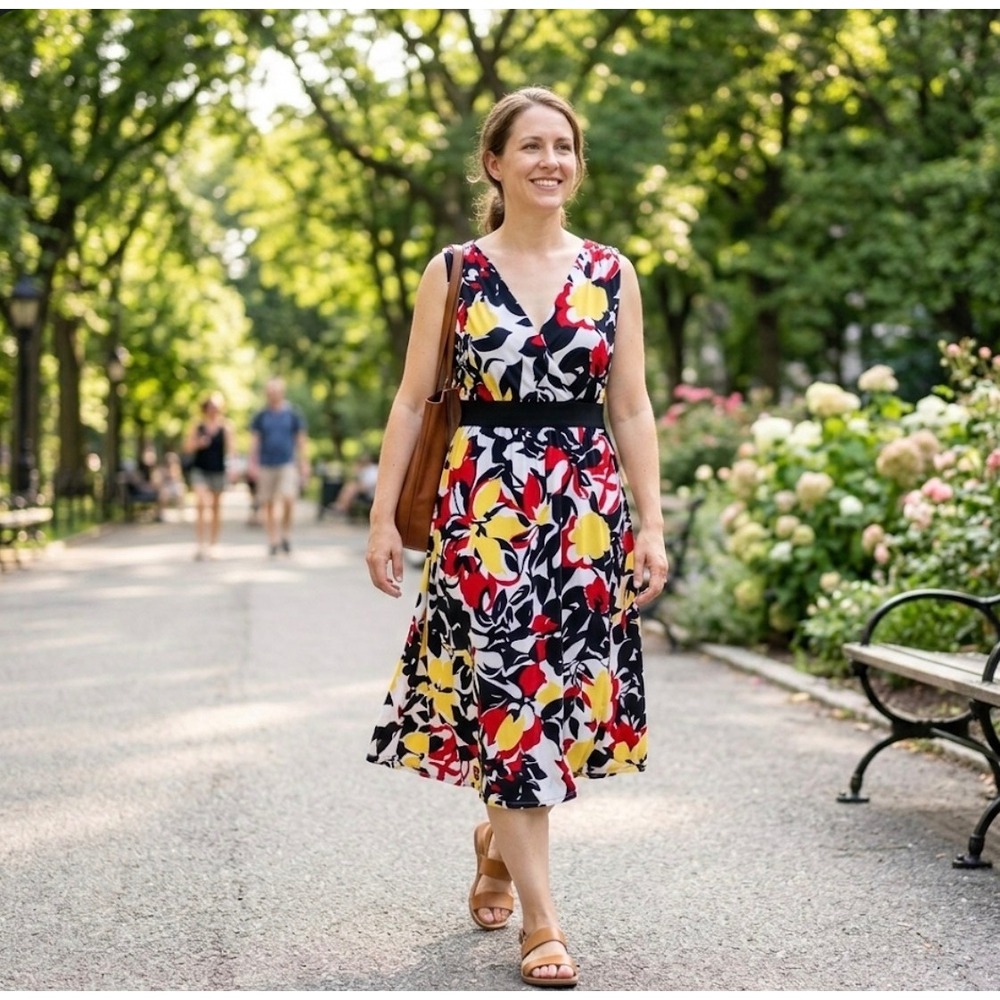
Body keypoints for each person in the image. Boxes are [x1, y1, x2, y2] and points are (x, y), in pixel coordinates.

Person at [364, 86, 669, 989]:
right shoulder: (453, 271)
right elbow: (413, 399)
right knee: (507, 702)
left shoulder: (612, 273)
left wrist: (651, 524)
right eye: (530, 146)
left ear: (577, 164)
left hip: (582, 515)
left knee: (553, 706)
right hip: (483, 514)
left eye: (563, 147)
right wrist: (383, 518)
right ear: (494, 164)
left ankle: (497, 843)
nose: (550, 161)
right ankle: (544, 924)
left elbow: (633, 405)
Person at [248, 376, 310, 556]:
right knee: (267, 503)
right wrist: (252, 463)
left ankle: (286, 534)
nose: (273, 394)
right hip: (266, 464)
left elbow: (301, 440)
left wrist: (304, 462)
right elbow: (255, 441)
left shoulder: (293, 414)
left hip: (287, 463)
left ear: (282, 392)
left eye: (276, 390)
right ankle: (273, 539)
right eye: (270, 391)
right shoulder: (261, 415)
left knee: (289, 498)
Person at [184, 392, 235, 560]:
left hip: (218, 470)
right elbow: (187, 448)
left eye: (216, 407)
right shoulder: (197, 427)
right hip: (201, 469)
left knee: (216, 508)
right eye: (210, 407)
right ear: (205, 408)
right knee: (200, 503)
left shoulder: (226, 427)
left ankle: (214, 545)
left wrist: (232, 468)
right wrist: (198, 444)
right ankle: (200, 545)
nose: (213, 410)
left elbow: (231, 450)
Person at [332, 452, 378, 517]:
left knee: (351, 487)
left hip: (371, 493)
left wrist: (357, 473)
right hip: (365, 491)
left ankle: (342, 507)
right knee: (350, 486)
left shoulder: (372, 470)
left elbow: (368, 485)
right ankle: (341, 506)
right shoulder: (366, 470)